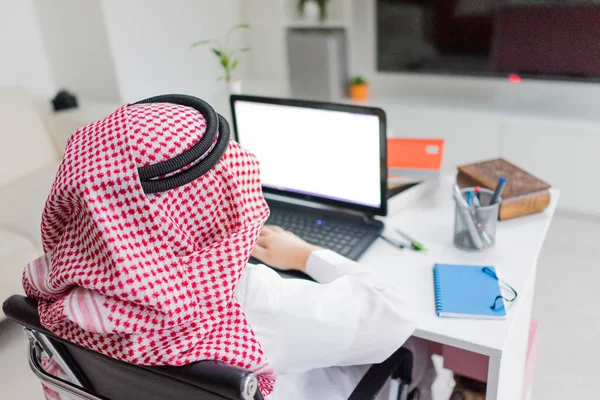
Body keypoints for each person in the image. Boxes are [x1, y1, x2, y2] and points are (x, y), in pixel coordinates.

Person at [22, 97, 435, 400]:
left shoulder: (52, 290)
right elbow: (395, 316)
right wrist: (304, 255)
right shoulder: (249, 303)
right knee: (419, 347)